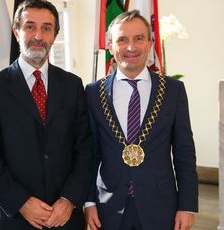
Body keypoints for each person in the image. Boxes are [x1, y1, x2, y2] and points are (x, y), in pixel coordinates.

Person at [0, 0, 92, 229]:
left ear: (55, 35)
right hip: (14, 218)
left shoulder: (73, 86)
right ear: (16, 32)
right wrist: (22, 203)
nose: (38, 35)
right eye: (30, 27)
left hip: (65, 217)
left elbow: (85, 149)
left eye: (46, 28)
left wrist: (68, 200)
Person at [84, 10, 198, 230]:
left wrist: (187, 206)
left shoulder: (173, 91)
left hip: (161, 207)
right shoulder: (93, 93)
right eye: (122, 40)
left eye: (138, 39)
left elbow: (184, 152)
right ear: (110, 46)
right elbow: (90, 154)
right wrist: (88, 202)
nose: (131, 47)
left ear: (149, 43)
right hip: (108, 208)